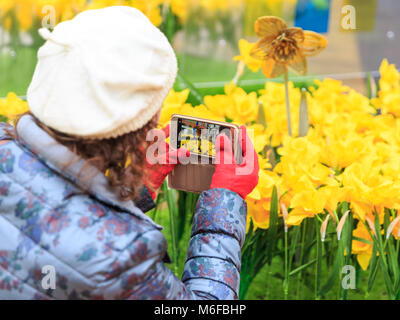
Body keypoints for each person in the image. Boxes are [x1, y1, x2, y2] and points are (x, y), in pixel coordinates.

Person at [0, 6, 259, 300]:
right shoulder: (121, 255)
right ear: (145, 122)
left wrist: (133, 192)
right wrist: (223, 203)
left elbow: (54, 215)